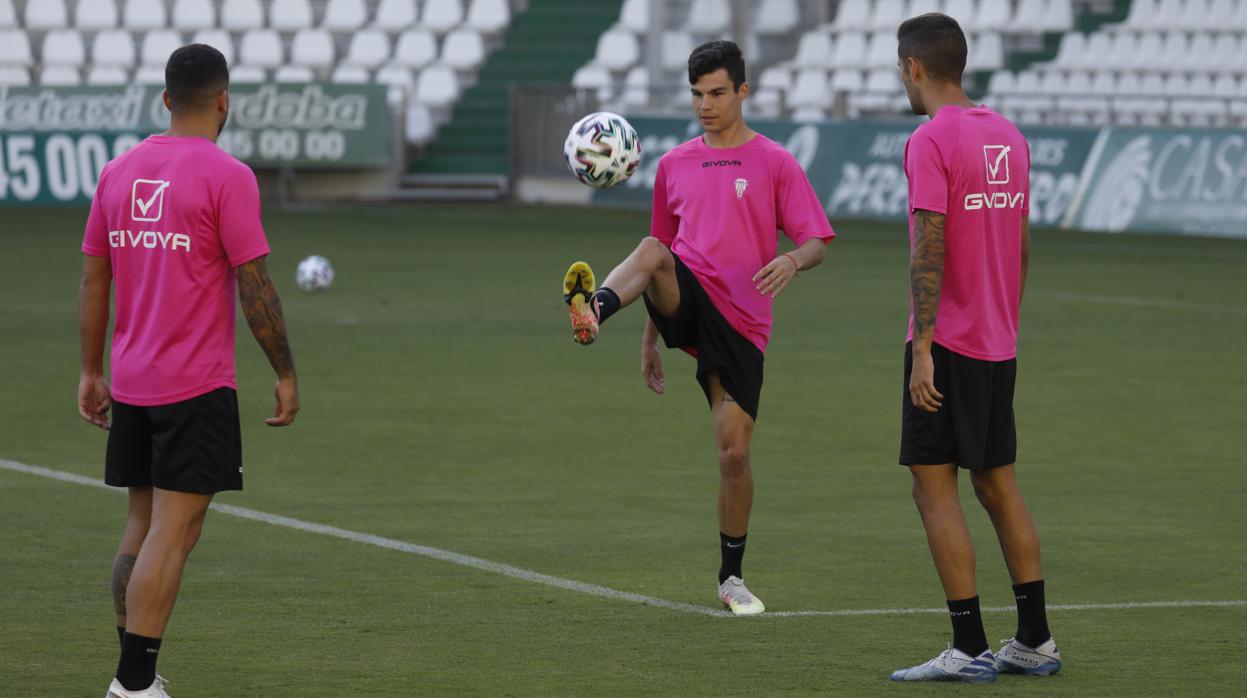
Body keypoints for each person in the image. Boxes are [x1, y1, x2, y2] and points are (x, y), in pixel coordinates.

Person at [561, 40, 835, 615]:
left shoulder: (774, 162)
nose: (705, 105)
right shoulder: (675, 164)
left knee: (733, 454)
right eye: (696, 95)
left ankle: (731, 578)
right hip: (686, 297)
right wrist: (649, 337)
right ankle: (594, 311)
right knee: (652, 247)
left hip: (742, 324)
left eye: (716, 93)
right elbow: (659, 254)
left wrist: (791, 259)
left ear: (742, 91)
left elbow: (815, 241)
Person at [78, 44, 300, 698]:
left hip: (132, 378)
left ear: (167, 98)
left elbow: (95, 275)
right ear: (224, 99)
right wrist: (284, 371)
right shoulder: (227, 175)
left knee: (144, 526)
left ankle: (135, 671)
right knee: (174, 533)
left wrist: (90, 370)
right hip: (194, 385)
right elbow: (254, 283)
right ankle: (133, 684)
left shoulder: (119, 170)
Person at [886, 14, 1060, 683]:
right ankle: (1035, 641)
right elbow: (1019, 245)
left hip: (948, 341)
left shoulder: (931, 139)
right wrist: (1003, 321)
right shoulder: (1007, 136)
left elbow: (927, 243)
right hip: (996, 340)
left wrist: (923, 346)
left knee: (933, 490)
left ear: (914, 67)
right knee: (998, 486)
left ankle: (967, 648)